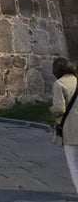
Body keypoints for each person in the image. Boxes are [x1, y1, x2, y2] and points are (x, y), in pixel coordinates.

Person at [51, 56, 78, 195]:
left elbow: (59, 108)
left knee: (74, 165)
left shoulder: (59, 84)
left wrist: (51, 109)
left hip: (70, 129)